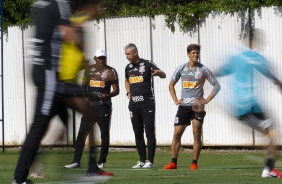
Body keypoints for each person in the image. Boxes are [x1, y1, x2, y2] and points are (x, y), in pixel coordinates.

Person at [13, 1, 113, 183]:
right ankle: (21, 177)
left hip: (51, 74)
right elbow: (68, 33)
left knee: (79, 116)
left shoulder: (43, 4)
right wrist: (80, 37)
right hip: (50, 73)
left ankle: (85, 167)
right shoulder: (60, 3)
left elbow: (58, 30)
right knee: (40, 125)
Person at [214, 37, 282, 178]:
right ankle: (268, 169)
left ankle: (269, 167)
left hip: (248, 107)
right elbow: (274, 78)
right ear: (254, 43)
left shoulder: (237, 58)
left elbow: (217, 72)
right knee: (273, 135)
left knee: (271, 134)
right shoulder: (256, 58)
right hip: (246, 107)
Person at [163, 44, 221, 170]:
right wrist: (175, 100)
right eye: (193, 53)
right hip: (183, 107)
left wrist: (207, 100)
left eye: (197, 53)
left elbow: (217, 85)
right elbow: (171, 85)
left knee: (196, 134)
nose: (195, 55)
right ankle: (173, 163)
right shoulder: (181, 68)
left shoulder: (203, 70)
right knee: (177, 134)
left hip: (197, 107)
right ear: (188, 54)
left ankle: (194, 163)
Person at [64, 49, 119, 169]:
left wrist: (106, 95)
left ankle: (101, 161)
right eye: (99, 57)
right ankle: (76, 161)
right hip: (90, 106)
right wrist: (85, 96)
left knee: (104, 134)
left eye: (103, 58)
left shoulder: (111, 71)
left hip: (104, 106)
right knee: (82, 133)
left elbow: (116, 90)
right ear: (95, 58)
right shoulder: (89, 70)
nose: (101, 60)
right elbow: (83, 86)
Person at [124, 43, 166, 168]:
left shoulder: (147, 64)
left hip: (147, 103)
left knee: (149, 131)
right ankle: (142, 160)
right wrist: (128, 92)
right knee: (137, 132)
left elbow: (163, 75)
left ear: (135, 53)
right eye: (125, 54)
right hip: (134, 104)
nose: (126, 56)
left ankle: (150, 161)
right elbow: (126, 80)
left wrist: (158, 73)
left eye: (128, 54)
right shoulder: (128, 67)